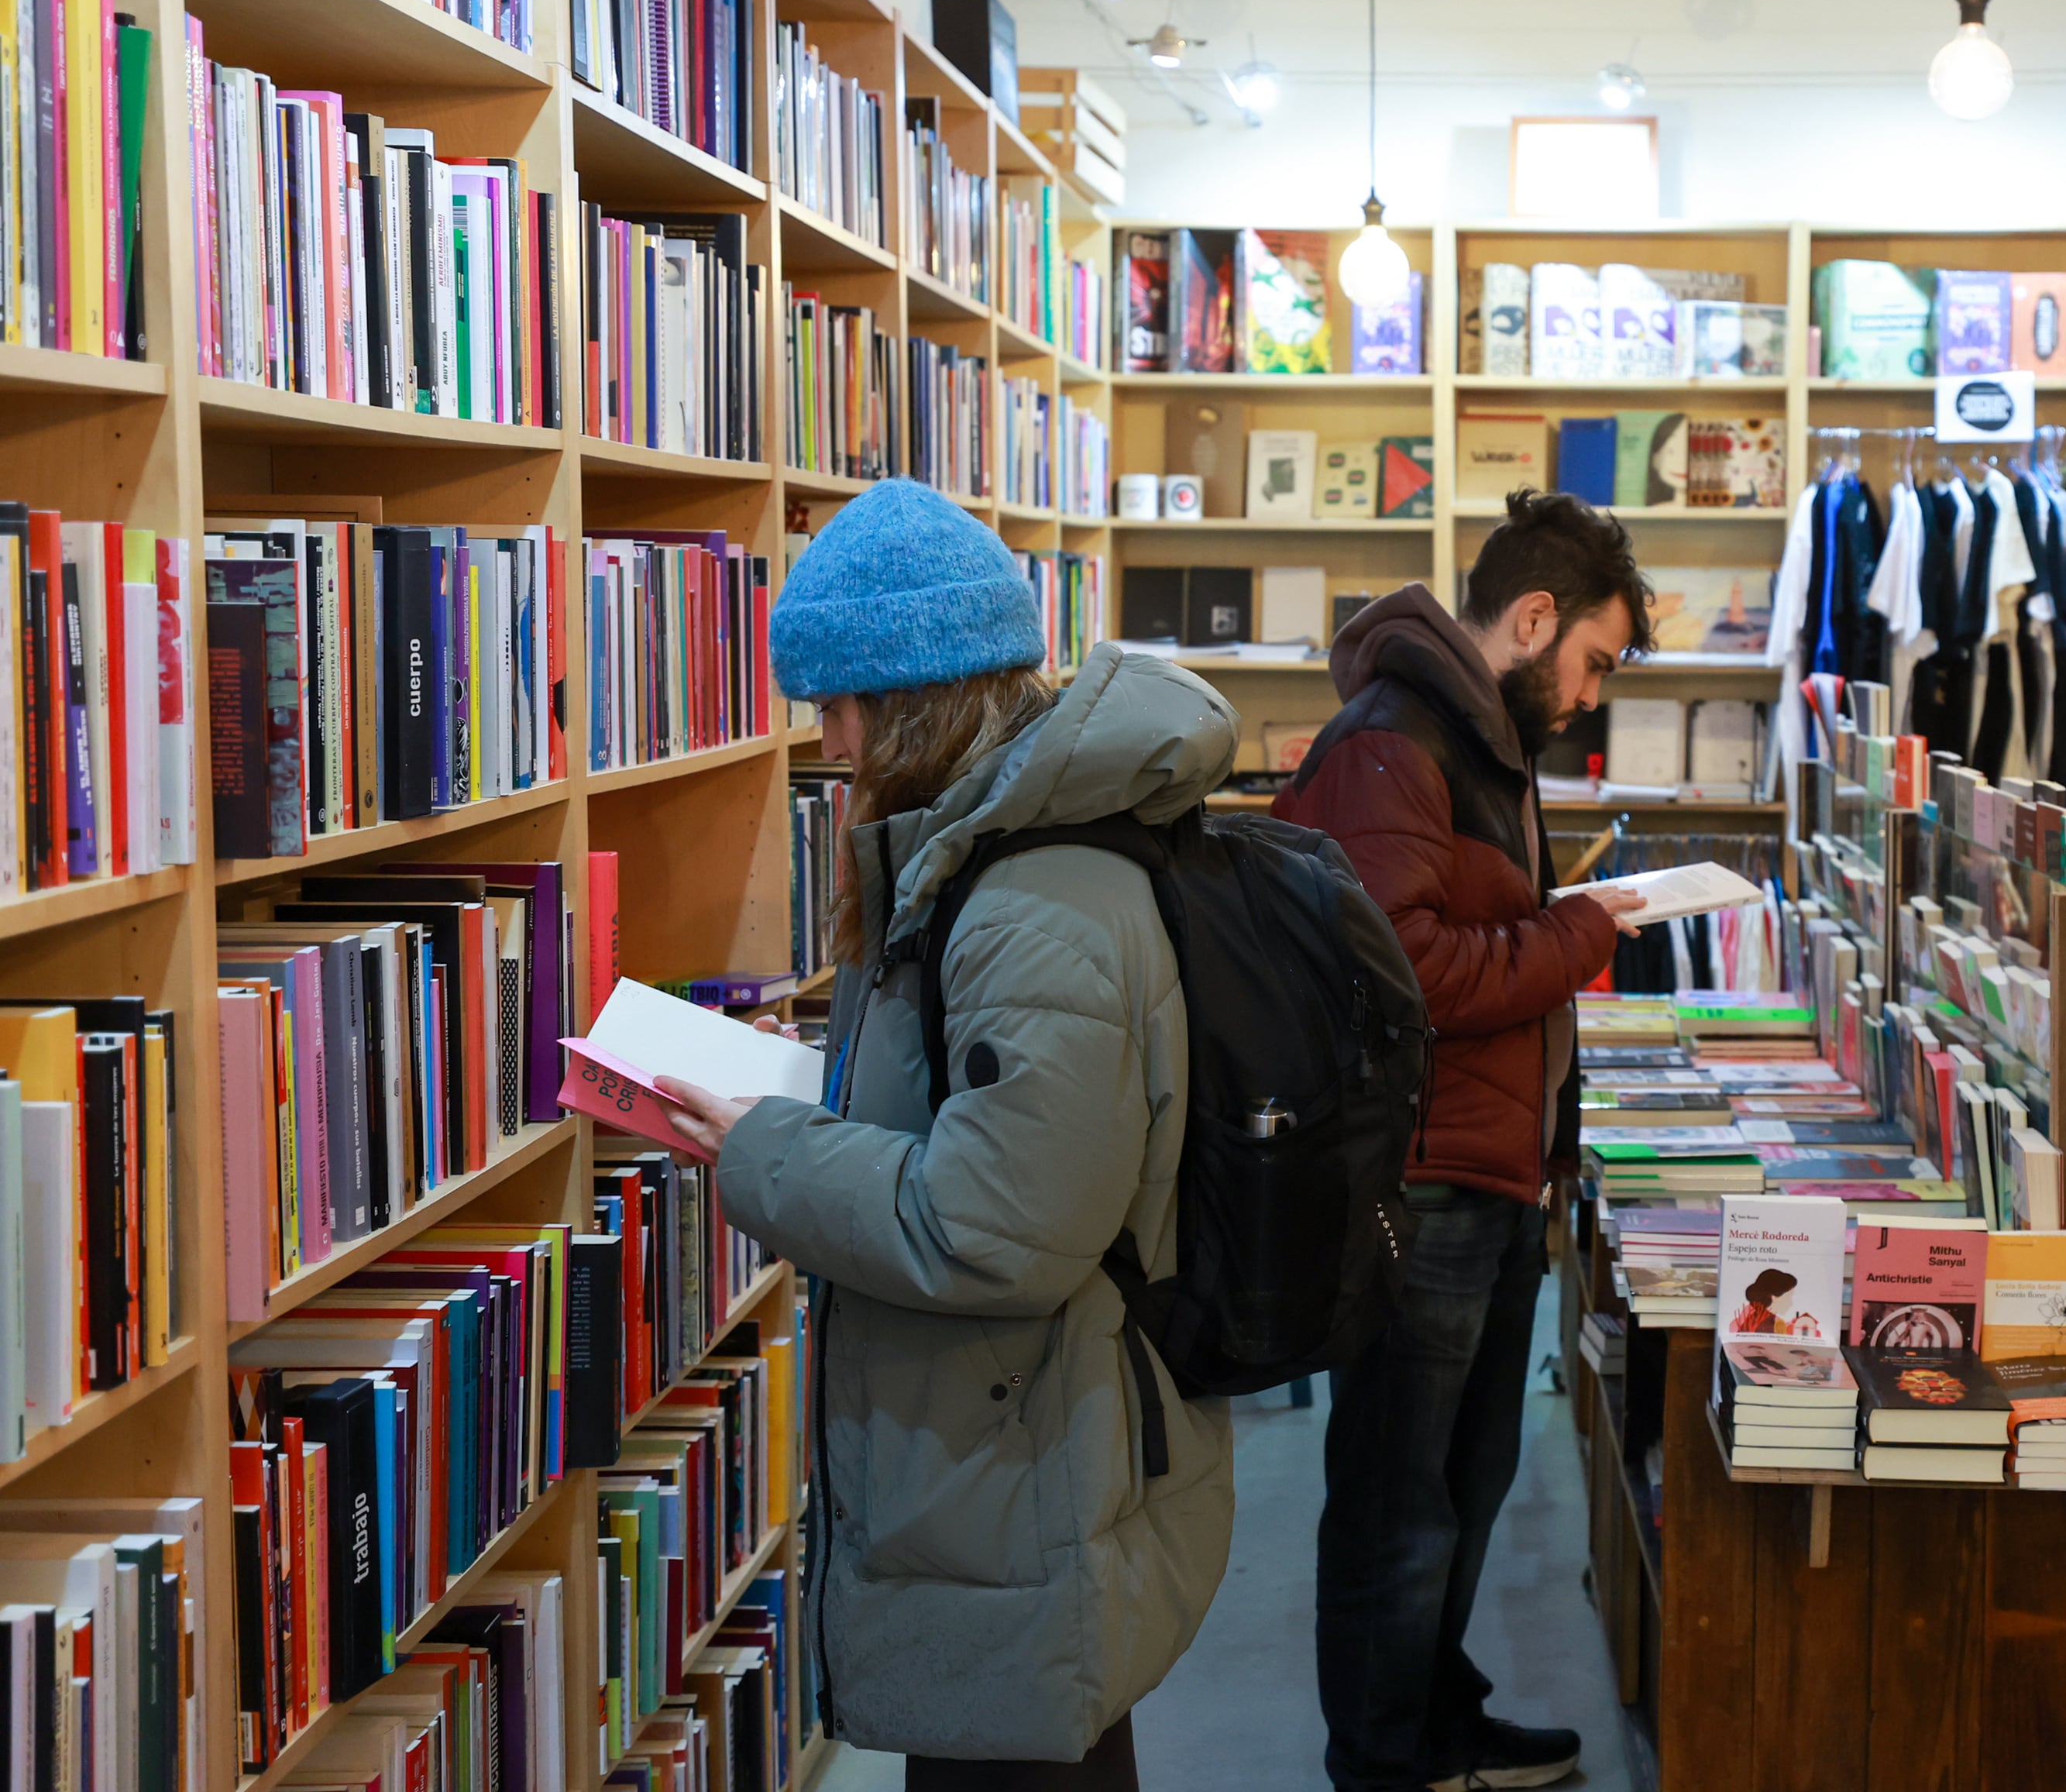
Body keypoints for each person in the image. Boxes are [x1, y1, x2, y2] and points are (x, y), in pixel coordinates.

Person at [656, 477, 1236, 1792]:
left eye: (839, 708)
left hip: (1024, 1458)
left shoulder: (1037, 902)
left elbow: (991, 1229)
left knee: (1027, 1757)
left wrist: (761, 1147)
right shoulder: (982, 861)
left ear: (913, 707)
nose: (825, 745)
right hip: (1000, 1452)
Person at [1276, 489, 1653, 1792]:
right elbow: (1410, 975)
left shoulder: (1479, 741)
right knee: (1397, 1500)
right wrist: (1585, 933)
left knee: (1463, 1483)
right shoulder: (1395, 742)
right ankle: (1382, 1761)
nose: (1593, 694)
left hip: (1486, 1177)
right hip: (1419, 1185)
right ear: (1533, 619)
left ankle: (1437, 1722)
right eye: (1593, 661)